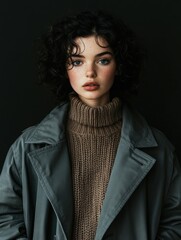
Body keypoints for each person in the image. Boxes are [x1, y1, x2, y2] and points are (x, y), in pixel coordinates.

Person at [0, 10, 181, 240]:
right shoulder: (27, 147)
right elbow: (4, 218)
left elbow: (175, 223)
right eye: (77, 61)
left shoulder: (159, 149)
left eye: (103, 60)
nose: (90, 72)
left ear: (119, 65)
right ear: (63, 68)